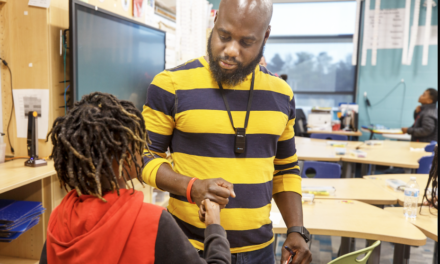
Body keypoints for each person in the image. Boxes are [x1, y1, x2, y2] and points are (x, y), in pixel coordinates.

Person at [142, 0, 312, 264]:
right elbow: (143, 157)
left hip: (260, 251)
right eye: (224, 36)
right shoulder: (170, 85)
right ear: (215, 20)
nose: (231, 50)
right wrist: (192, 187)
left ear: (265, 36)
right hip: (188, 247)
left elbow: (286, 170)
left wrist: (296, 229)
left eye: (246, 42)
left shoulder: (281, 95)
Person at [41, 93, 230, 264]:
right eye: (136, 143)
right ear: (127, 157)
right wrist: (214, 227)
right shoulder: (154, 222)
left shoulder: (59, 217)